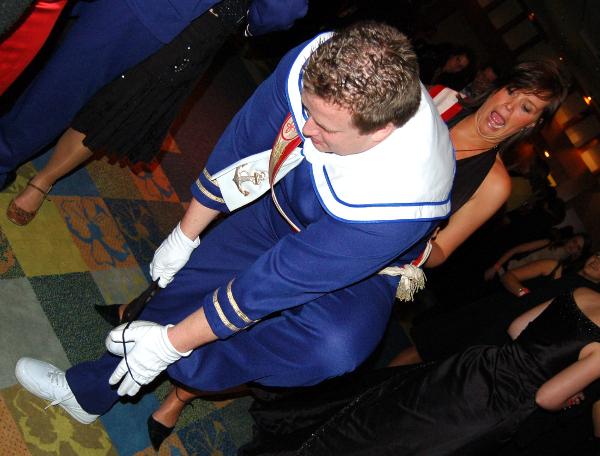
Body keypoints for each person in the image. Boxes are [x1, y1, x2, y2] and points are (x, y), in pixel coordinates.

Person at [14, 21, 455, 450]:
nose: (306, 128)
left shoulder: (403, 198)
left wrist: (169, 346)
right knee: (187, 286)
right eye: (307, 111)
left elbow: (277, 281)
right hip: (283, 203)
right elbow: (245, 143)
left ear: (379, 131)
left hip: (362, 264)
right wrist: (185, 235)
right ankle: (89, 393)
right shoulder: (321, 61)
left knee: (332, 348)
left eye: (324, 126)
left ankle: (178, 363)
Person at [5, 0, 294, 225]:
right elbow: (280, 10)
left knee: (115, 100)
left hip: (192, 23)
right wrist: (252, 21)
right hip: (176, 15)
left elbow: (281, 8)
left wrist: (250, 18)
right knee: (73, 77)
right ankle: (17, 162)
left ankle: (38, 177)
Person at [239, 287, 600, 455]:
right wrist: (569, 391)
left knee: (384, 414)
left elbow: (517, 327)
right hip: (492, 404)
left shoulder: (583, 294)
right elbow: (546, 397)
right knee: (401, 445)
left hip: (474, 367)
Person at [423, 59, 568, 268]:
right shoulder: (441, 99)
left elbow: (442, 250)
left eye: (526, 108)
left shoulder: (494, 183)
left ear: (532, 124)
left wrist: (421, 244)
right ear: (498, 88)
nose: (509, 106)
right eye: (511, 91)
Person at [391, 251, 600, 367]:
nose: (597, 261)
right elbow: (510, 276)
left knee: (450, 366)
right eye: (598, 255)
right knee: (428, 347)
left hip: (507, 339)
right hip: (491, 313)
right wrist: (525, 295)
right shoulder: (554, 267)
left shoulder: (592, 302)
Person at [484, 233, 588, 282]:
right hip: (503, 270)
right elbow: (516, 249)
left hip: (512, 285)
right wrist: (495, 267)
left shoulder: (562, 267)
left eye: (578, 247)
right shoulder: (548, 243)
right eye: (574, 241)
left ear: (578, 253)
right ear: (570, 238)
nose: (573, 246)